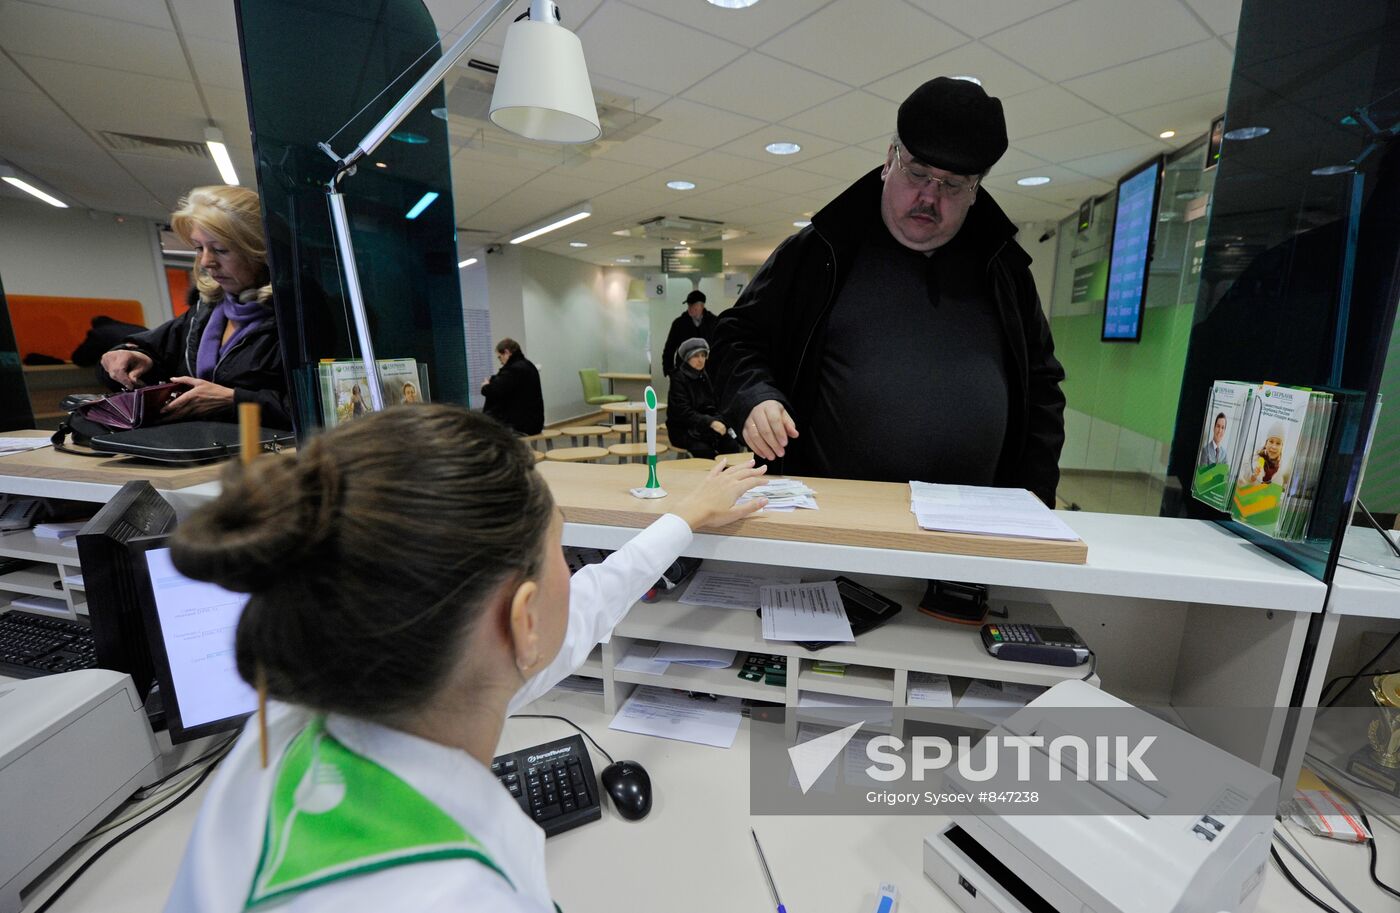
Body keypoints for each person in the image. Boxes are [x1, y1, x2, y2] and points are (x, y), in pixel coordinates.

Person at [161, 406, 766, 912]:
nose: (574, 572)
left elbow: (586, 606)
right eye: (560, 547)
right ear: (522, 621)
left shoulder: (303, 709)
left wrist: (686, 518)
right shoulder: (459, 895)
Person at [710, 77, 1066, 507]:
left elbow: (1042, 386)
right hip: (834, 518)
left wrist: (1037, 498)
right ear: (889, 160)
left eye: (953, 185)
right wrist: (754, 397)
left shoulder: (1005, 269)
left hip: (976, 519)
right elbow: (735, 336)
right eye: (917, 173)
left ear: (977, 189)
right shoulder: (821, 250)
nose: (929, 198)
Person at [99, 185, 291, 429]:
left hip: (267, 456)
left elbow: (334, 409)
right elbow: (153, 349)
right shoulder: (207, 311)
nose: (207, 262)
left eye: (221, 249)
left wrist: (234, 400)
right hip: (203, 452)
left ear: (260, 252)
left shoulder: (302, 319)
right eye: (199, 248)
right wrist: (132, 356)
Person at [666, 337, 742, 460]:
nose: (700, 360)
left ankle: (728, 477)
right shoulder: (678, 379)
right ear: (687, 358)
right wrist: (711, 422)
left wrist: (720, 421)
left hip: (705, 427)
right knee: (705, 452)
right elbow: (682, 412)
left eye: (703, 355)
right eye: (696, 356)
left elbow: (716, 404)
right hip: (683, 430)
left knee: (731, 446)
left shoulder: (706, 376)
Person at [481, 338, 544, 435]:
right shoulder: (528, 365)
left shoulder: (514, 369)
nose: (500, 361)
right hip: (533, 423)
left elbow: (494, 391)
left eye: (499, 357)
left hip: (520, 425)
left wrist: (485, 386)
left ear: (507, 352)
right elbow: (506, 384)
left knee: (483, 429)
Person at [661, 290, 717, 379]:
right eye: (689, 305)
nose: (690, 308)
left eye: (693, 306)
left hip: (708, 374)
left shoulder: (713, 322)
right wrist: (669, 371)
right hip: (684, 373)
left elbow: (718, 348)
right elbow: (669, 349)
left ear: (702, 306)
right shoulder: (679, 324)